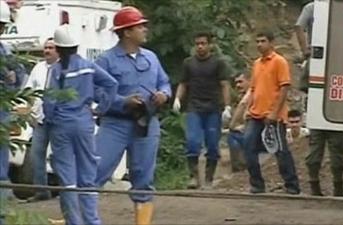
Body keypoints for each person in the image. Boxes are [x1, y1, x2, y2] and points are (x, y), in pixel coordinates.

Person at [94, 6, 171, 225]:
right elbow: (97, 92)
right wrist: (122, 101)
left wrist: (163, 94)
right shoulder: (106, 60)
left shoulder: (152, 58)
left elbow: (164, 82)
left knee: (144, 179)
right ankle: (81, 219)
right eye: (140, 26)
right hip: (115, 124)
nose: (145, 29)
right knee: (94, 172)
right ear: (127, 32)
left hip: (146, 124)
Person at [43, 24, 118, 225]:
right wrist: (101, 108)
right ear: (76, 45)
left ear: (58, 48)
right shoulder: (88, 66)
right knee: (88, 175)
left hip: (61, 125)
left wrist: (50, 119)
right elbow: (112, 84)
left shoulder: (55, 70)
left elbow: (49, 101)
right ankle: (93, 221)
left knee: (67, 180)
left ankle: (74, 222)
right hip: (84, 123)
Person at [295, 1, 343, 196]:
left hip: (338, 65)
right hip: (321, 67)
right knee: (317, 147)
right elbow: (299, 26)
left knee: (336, 147)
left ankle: (337, 187)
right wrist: (306, 50)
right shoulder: (313, 7)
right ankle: (316, 185)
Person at [243, 31, 300, 195]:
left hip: (274, 115)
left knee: (280, 150)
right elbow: (254, 89)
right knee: (248, 145)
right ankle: (257, 184)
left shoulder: (279, 62)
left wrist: (275, 112)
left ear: (271, 42)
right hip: (256, 114)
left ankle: (292, 185)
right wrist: (248, 108)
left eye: (263, 41)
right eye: (257, 41)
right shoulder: (256, 64)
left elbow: (284, 87)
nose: (259, 44)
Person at [173, 31, 232, 189]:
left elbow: (224, 84)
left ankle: (209, 179)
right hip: (194, 107)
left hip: (213, 108)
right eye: (197, 44)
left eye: (203, 43)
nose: (200, 46)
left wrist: (227, 106)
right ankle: (193, 176)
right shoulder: (189, 63)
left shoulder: (218, 63)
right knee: (192, 141)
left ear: (210, 45)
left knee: (212, 144)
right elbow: (183, 83)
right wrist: (178, 99)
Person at [0, 1, 27, 224]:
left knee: (0, 167)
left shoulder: (6, 52)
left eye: (2, 26)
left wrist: (11, 85)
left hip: (1, 116)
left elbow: (19, 79)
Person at [24, 38, 59, 202]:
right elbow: (29, 90)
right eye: (45, 47)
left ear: (58, 50)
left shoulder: (63, 68)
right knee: (36, 155)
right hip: (40, 120)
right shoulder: (38, 68)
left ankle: (66, 189)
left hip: (59, 121)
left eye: (51, 48)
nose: (47, 51)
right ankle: (41, 191)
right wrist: (30, 111)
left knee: (60, 156)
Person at [227, 73, 250, 173]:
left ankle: (242, 168)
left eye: (240, 82)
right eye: (236, 83)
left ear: (249, 81)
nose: (238, 85)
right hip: (244, 130)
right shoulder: (239, 98)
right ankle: (238, 171)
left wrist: (233, 126)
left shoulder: (255, 95)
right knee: (233, 136)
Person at [294, 0, 314, 93]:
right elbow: (298, 27)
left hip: (317, 53)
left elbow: (299, 26)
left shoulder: (311, 7)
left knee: (309, 87)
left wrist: (305, 50)